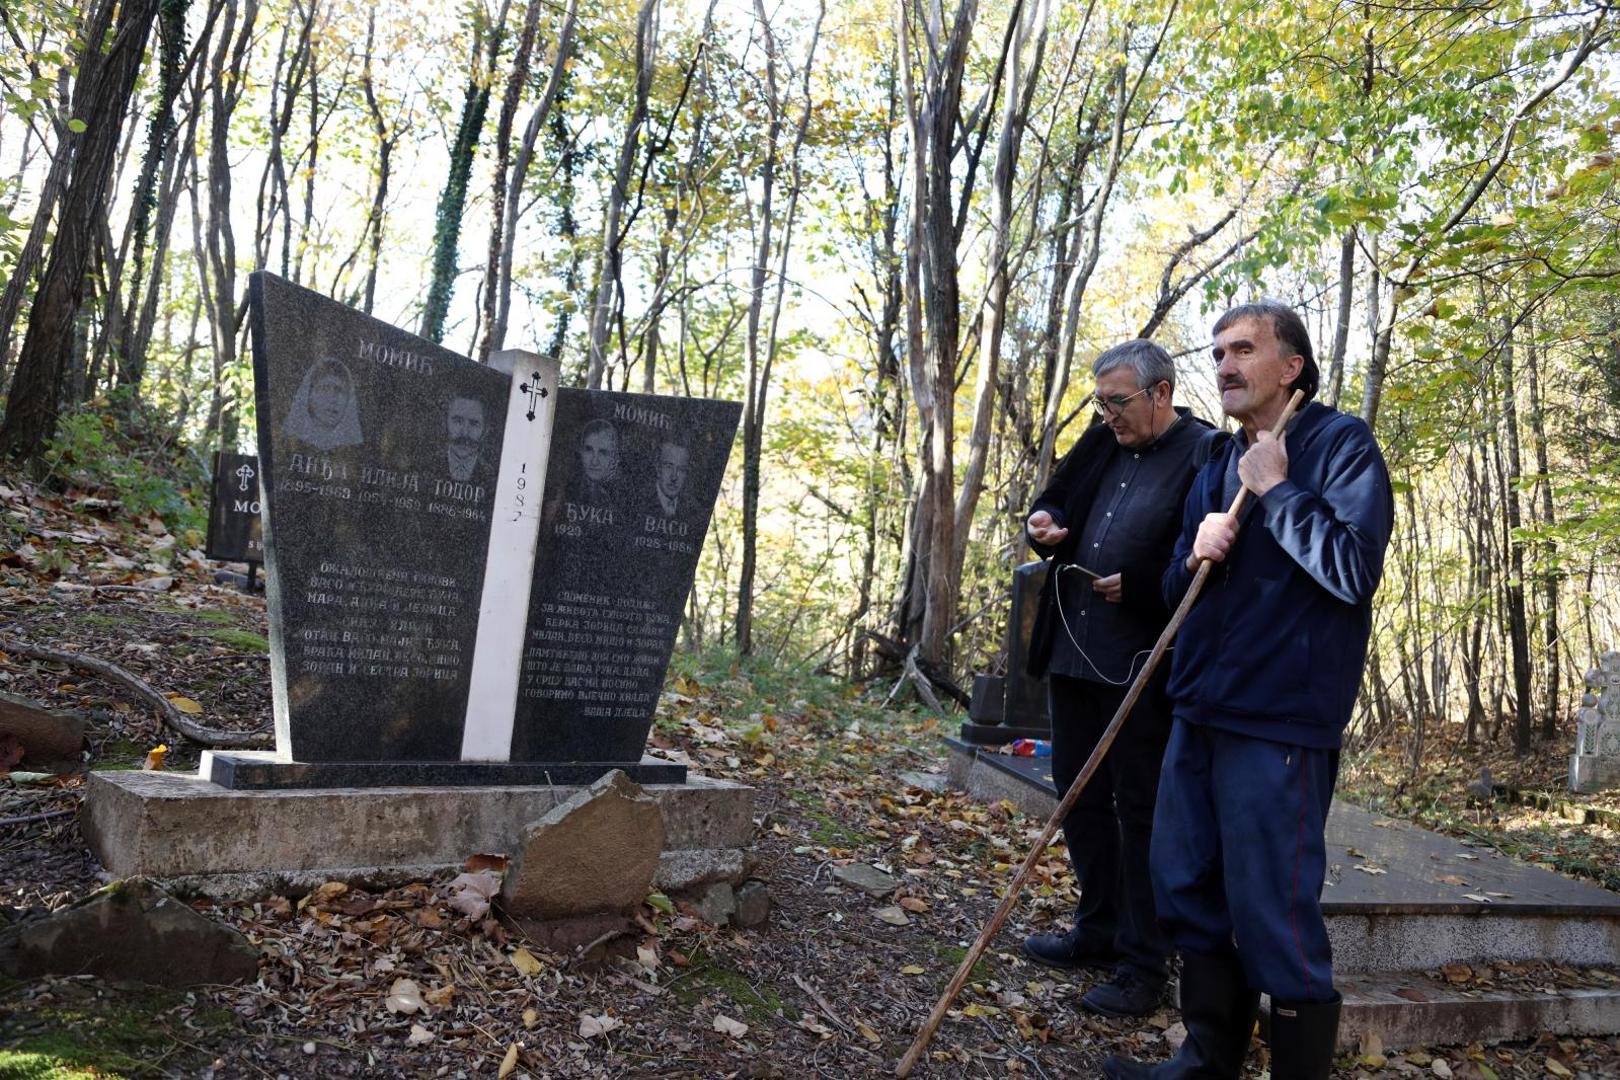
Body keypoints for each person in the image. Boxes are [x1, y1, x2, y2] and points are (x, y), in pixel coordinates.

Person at [1105, 302, 1393, 1080]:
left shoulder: (1340, 446)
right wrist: (1194, 554)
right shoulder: (1213, 463)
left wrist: (1277, 491)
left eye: (1242, 350)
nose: (1225, 366)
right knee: (1185, 888)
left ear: (1292, 366)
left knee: (1273, 916)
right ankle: (1206, 1062)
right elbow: (1178, 593)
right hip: (1198, 707)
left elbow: (1352, 572)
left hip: (1279, 723)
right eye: (1218, 353)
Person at [1023, 339, 1221, 1019]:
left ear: (1161, 392)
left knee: (1141, 810)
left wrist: (1139, 585)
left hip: (1142, 662)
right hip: (1073, 647)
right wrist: (1044, 524)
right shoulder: (1102, 439)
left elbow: (1206, 558)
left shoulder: (1205, 452)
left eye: (1118, 401)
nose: (1106, 414)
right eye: (1100, 401)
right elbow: (1055, 502)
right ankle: (1098, 928)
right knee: (1077, 795)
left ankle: (1144, 964)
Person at [282, 357, 363, 451]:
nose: (333, 399)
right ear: (308, 394)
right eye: (325, 389)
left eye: (340, 390)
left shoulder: (354, 450)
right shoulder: (290, 442)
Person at [572, 419, 622, 504]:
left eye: (603, 453)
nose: (594, 462)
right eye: (589, 450)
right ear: (580, 451)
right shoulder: (566, 491)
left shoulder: (615, 498)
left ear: (614, 457)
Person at [445, 393, 488, 483]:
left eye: (474, 424)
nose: (465, 433)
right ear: (446, 423)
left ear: (485, 430)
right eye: (458, 421)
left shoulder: (492, 476)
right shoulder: (424, 467)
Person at [653, 438, 690, 516]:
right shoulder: (636, 501)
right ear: (658, 468)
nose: (674, 477)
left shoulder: (693, 510)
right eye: (668, 467)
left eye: (681, 469)